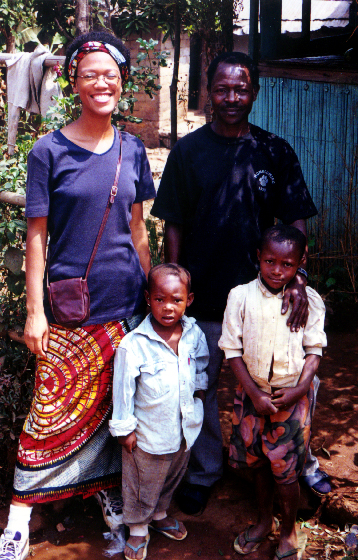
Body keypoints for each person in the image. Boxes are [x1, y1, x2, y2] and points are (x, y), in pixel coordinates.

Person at [0, 31, 156, 560]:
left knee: (113, 411)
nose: (102, 83)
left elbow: (138, 229)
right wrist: (34, 311)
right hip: (68, 312)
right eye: (91, 74)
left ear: (122, 82)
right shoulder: (49, 150)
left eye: (111, 75)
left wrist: (153, 297)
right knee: (48, 412)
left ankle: (108, 497)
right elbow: (36, 235)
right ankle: (19, 520)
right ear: (74, 81)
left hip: (123, 308)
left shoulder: (133, 150)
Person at [151, 51, 330, 515]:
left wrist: (298, 279)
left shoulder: (274, 151)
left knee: (283, 381)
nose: (232, 97)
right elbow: (173, 222)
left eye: (241, 88)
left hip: (268, 301)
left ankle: (289, 463)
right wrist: (178, 285)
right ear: (209, 93)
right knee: (203, 387)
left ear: (254, 92)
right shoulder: (188, 152)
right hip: (205, 296)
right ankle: (207, 470)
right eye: (223, 88)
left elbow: (294, 220)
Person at [219, 224, 327, 560]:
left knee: (286, 470)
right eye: (269, 262)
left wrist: (300, 390)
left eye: (287, 265)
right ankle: (264, 520)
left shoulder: (309, 301)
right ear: (258, 258)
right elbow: (232, 351)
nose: (277, 270)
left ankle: (289, 529)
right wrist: (252, 393)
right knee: (258, 464)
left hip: (291, 400)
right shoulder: (240, 296)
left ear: (300, 264)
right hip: (251, 397)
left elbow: (314, 351)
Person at [109, 263, 209, 560]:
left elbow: (201, 365)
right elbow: (123, 390)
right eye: (159, 299)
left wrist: (199, 395)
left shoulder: (194, 334)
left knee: (172, 474)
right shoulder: (134, 344)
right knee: (142, 482)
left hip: (183, 428)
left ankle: (160, 513)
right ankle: (138, 527)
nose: (168, 307)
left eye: (176, 300)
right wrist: (124, 429)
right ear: (147, 298)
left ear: (188, 300)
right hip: (147, 434)